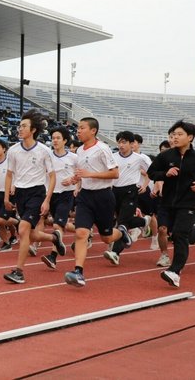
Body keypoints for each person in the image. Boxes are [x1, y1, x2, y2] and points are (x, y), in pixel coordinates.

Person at [62, 117, 131, 288]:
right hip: (85, 196)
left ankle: (121, 232)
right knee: (81, 233)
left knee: (107, 238)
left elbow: (115, 174)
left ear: (93, 131)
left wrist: (89, 175)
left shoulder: (102, 149)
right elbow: (82, 173)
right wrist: (74, 179)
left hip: (103, 197)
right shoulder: (79, 150)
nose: (78, 131)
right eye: (78, 128)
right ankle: (78, 271)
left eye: (82, 128)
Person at [148, 121, 195, 287]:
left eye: (179, 134)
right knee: (169, 231)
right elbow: (152, 173)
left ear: (190, 137)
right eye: (173, 135)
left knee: (180, 235)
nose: (175, 138)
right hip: (166, 203)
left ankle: (175, 271)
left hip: (189, 203)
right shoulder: (165, 156)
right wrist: (165, 173)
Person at [3, 111, 63, 284]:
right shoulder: (13, 150)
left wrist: (46, 200)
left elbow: (52, 177)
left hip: (37, 192)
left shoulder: (44, 151)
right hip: (20, 193)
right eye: (19, 126)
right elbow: (9, 175)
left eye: (24, 126)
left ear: (33, 129)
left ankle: (19, 272)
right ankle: (54, 238)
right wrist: (6, 197)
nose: (20, 129)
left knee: (22, 230)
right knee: (31, 234)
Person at [104, 131, 151, 265]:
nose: (121, 145)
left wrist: (145, 184)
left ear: (132, 144)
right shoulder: (112, 157)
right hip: (114, 191)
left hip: (131, 190)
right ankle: (143, 222)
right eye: (119, 142)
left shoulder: (139, 158)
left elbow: (151, 172)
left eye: (124, 142)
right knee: (122, 220)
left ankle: (115, 253)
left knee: (121, 223)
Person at [39, 127, 78, 268]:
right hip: (50, 194)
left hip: (66, 194)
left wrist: (72, 180)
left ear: (65, 140)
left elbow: (81, 175)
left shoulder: (73, 158)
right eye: (53, 138)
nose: (55, 140)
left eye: (58, 138)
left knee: (57, 224)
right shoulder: (47, 156)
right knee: (59, 224)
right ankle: (84, 232)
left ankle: (53, 256)